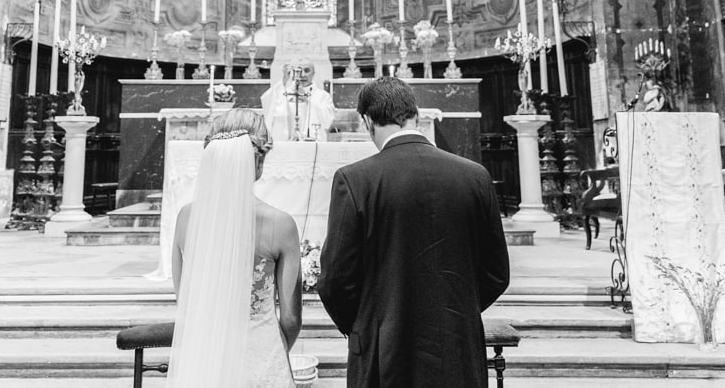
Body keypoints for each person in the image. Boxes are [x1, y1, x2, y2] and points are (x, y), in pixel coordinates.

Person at [317, 77, 510, 388]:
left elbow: (334, 280)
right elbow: (496, 273)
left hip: (385, 351)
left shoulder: (355, 180)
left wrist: (369, 321)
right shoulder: (475, 176)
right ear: (415, 114)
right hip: (458, 346)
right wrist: (456, 310)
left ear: (368, 121)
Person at [168, 109, 302, 387]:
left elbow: (185, 301)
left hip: (203, 358)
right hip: (262, 358)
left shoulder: (186, 218)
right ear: (259, 159)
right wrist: (268, 357)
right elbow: (290, 318)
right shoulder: (280, 224)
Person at [259, 60, 335, 142]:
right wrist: (284, 80)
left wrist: (308, 100)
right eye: (299, 71)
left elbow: (328, 120)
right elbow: (269, 103)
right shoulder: (285, 93)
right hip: (288, 143)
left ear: (313, 73)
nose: (303, 75)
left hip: (313, 144)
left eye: (307, 71)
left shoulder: (323, 97)